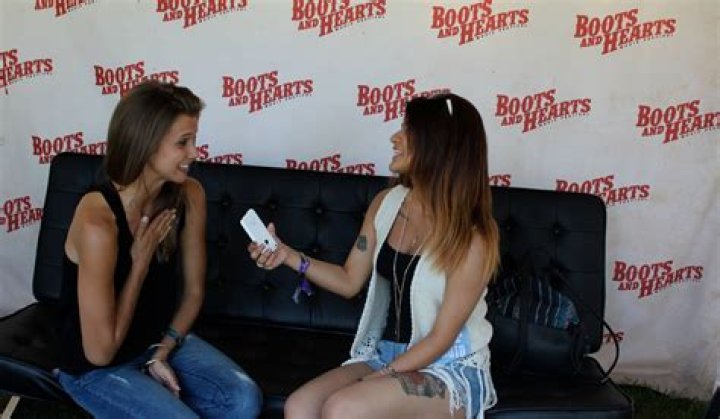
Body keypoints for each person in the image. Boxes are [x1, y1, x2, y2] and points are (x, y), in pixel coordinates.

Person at [249, 93, 500, 418]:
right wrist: (287, 255)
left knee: (344, 408)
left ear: (438, 145)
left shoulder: (472, 237)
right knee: (299, 407)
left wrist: (376, 379)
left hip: (450, 368)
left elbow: (441, 339)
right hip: (387, 353)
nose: (395, 137)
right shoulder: (387, 203)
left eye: (408, 131)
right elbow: (349, 280)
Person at [56, 81, 262, 418]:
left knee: (243, 400)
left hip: (155, 342)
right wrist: (139, 264)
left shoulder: (190, 194)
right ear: (146, 144)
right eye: (183, 143)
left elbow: (193, 293)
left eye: (194, 140)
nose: (194, 153)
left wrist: (162, 351)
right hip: (95, 370)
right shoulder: (98, 223)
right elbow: (100, 353)